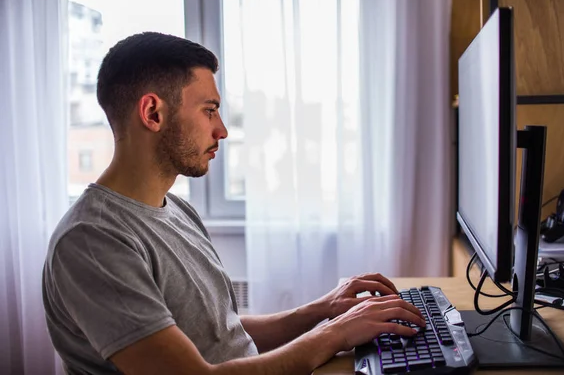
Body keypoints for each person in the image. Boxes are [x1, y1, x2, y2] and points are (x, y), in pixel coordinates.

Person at [42, 32, 425, 375]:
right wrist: (335, 333)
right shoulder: (92, 240)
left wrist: (321, 312)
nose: (222, 130)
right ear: (153, 113)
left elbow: (223, 335)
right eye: (209, 110)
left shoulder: (176, 210)